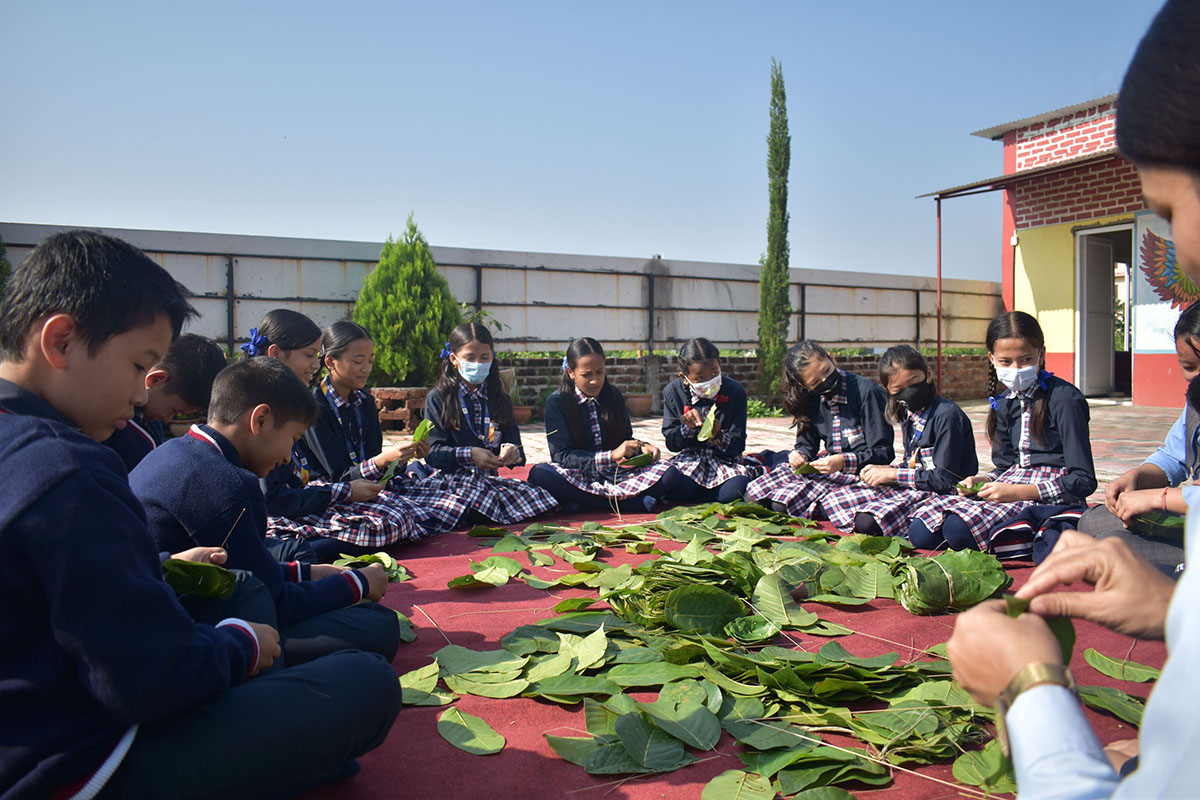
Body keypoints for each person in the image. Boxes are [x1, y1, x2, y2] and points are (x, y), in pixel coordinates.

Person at [0, 230, 399, 800]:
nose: (143, 395)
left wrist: (161, 565)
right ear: (60, 341)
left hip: (43, 717)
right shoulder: (70, 470)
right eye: (140, 364)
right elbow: (147, 680)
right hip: (77, 762)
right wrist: (241, 644)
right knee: (364, 681)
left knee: (246, 588)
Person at [948, 2, 1200, 795]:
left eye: (1165, 213)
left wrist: (1029, 692)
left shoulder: (1063, 401)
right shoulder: (998, 407)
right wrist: (1171, 611)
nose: (1177, 253)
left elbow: (1077, 476)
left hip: (1060, 504)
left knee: (1066, 522)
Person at [131, 357, 402, 667]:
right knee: (376, 626)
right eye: (293, 439)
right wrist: (358, 584)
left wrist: (310, 574)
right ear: (259, 420)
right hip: (182, 631)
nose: (288, 457)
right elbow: (269, 599)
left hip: (166, 602)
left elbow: (243, 565)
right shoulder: (228, 484)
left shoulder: (175, 449)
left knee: (311, 567)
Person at [906, 311, 1096, 558]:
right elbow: (1005, 467)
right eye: (1006, 362)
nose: (1016, 369)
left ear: (1042, 355)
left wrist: (1018, 493)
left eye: (1026, 359)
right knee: (920, 531)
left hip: (1049, 493)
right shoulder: (1004, 402)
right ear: (992, 358)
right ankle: (1015, 537)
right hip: (1012, 485)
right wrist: (982, 481)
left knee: (957, 530)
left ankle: (1036, 533)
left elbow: (1084, 480)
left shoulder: (1065, 399)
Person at [282, 320, 468, 557]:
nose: (366, 368)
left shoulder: (366, 402)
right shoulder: (315, 406)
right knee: (396, 520)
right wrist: (382, 461)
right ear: (330, 362)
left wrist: (403, 457)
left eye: (370, 361)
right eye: (357, 361)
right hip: (335, 490)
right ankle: (312, 550)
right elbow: (338, 475)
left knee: (453, 503)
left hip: (369, 486)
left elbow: (373, 461)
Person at [1077, 301, 1200, 574]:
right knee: (1092, 523)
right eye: (1189, 367)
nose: (1197, 377)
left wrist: (1159, 498)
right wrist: (1135, 477)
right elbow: (1172, 456)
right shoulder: (1195, 405)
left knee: (1113, 550)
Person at [819, 344, 978, 536]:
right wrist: (889, 470)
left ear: (928, 374)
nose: (909, 392)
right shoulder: (909, 414)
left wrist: (894, 475)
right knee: (840, 498)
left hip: (945, 493)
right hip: (919, 486)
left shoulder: (947, 416)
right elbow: (914, 462)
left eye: (914, 381)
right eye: (899, 389)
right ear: (888, 390)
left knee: (869, 521)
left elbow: (945, 480)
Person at [420, 322, 559, 523]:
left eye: (484, 357)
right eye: (470, 358)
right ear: (454, 359)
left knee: (541, 498)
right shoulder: (438, 399)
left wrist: (511, 452)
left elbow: (516, 446)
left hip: (489, 482)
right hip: (452, 481)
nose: (478, 363)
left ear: (492, 357)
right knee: (473, 503)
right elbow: (433, 453)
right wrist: (469, 455)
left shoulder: (499, 399)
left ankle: (477, 515)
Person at [528, 337, 681, 513]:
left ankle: (584, 502)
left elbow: (625, 440)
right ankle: (628, 504)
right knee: (540, 474)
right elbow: (561, 456)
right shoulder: (557, 402)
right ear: (571, 372)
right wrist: (610, 456)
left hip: (614, 475)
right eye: (586, 375)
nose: (595, 381)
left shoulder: (613, 395)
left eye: (600, 372)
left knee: (670, 473)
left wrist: (642, 448)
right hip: (577, 475)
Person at [744, 339, 894, 517]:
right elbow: (807, 445)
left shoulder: (866, 393)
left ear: (832, 359)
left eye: (827, 371)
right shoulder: (810, 398)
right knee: (755, 496)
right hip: (828, 473)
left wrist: (844, 461)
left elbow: (884, 453)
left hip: (863, 475)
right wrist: (800, 454)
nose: (826, 381)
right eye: (816, 382)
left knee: (797, 505)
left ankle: (822, 505)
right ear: (804, 386)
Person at [661, 337, 767, 504]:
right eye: (699, 378)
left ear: (720, 365)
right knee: (678, 489)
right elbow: (671, 443)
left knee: (735, 491)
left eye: (713, 373)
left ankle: (708, 492)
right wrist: (686, 430)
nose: (708, 382)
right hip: (690, 460)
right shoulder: (673, 392)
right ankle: (700, 492)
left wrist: (718, 436)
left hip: (725, 461)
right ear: (684, 378)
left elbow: (738, 445)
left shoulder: (735, 391)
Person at [103, 332, 227, 472]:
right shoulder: (112, 422)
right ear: (156, 380)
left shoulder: (150, 423)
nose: (167, 419)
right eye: (173, 411)